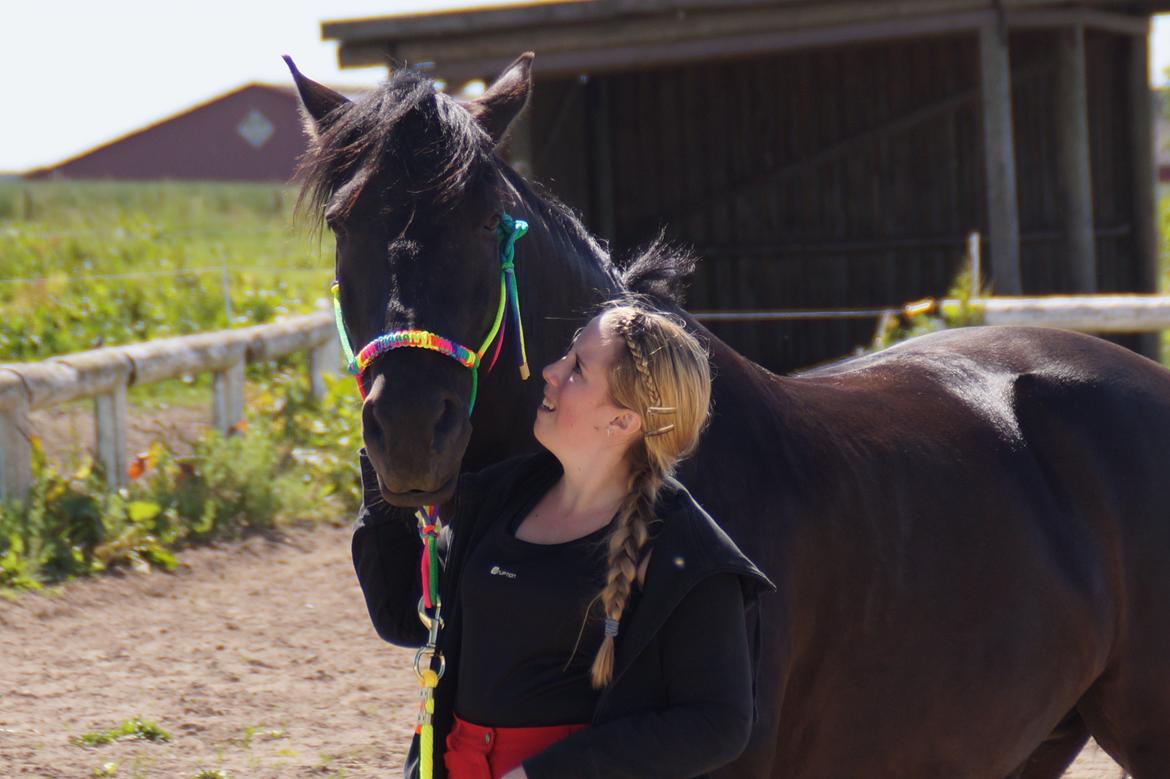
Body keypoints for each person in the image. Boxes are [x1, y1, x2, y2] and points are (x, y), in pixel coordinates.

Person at [352, 301, 775, 779]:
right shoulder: (495, 497)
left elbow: (718, 723)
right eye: (565, 356)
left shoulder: (687, 553)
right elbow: (402, 617)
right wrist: (385, 453)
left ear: (622, 422)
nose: (551, 372)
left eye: (578, 369)